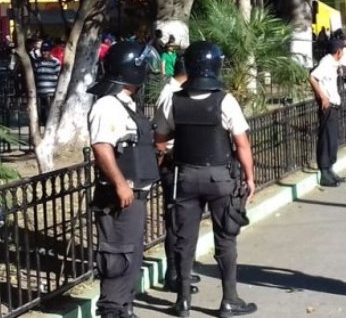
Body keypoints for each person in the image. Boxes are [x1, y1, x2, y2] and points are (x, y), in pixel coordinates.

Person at [154, 41, 257, 318]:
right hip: (219, 178)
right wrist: (250, 177)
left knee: (184, 239)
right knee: (225, 238)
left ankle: (183, 301)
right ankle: (229, 300)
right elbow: (242, 144)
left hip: (184, 177)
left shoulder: (174, 100)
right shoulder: (225, 100)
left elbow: (161, 140)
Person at [87, 41, 162, 318]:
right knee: (118, 259)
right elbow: (101, 147)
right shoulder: (107, 105)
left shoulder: (124, 103)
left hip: (134, 197)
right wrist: (120, 184)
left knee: (130, 259)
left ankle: (124, 310)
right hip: (119, 197)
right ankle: (113, 311)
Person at [153, 52, 202, 294]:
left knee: (183, 221)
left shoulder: (177, 92)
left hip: (182, 162)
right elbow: (162, 138)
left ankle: (182, 269)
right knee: (175, 222)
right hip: (173, 163)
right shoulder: (171, 95)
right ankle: (173, 274)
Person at [309, 40, 346, 186]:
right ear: (338, 52)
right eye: (342, 51)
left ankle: (330, 169)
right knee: (326, 138)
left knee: (333, 139)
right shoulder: (326, 62)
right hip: (328, 106)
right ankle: (324, 171)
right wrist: (323, 96)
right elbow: (312, 77)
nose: (343, 54)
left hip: (334, 105)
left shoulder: (333, 64)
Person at [33, 41, 61, 124]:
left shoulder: (55, 62)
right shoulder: (37, 61)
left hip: (51, 92)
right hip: (39, 92)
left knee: (50, 111)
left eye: (46, 50)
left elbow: (59, 75)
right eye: (43, 50)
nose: (44, 53)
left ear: (50, 51)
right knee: (41, 111)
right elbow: (34, 74)